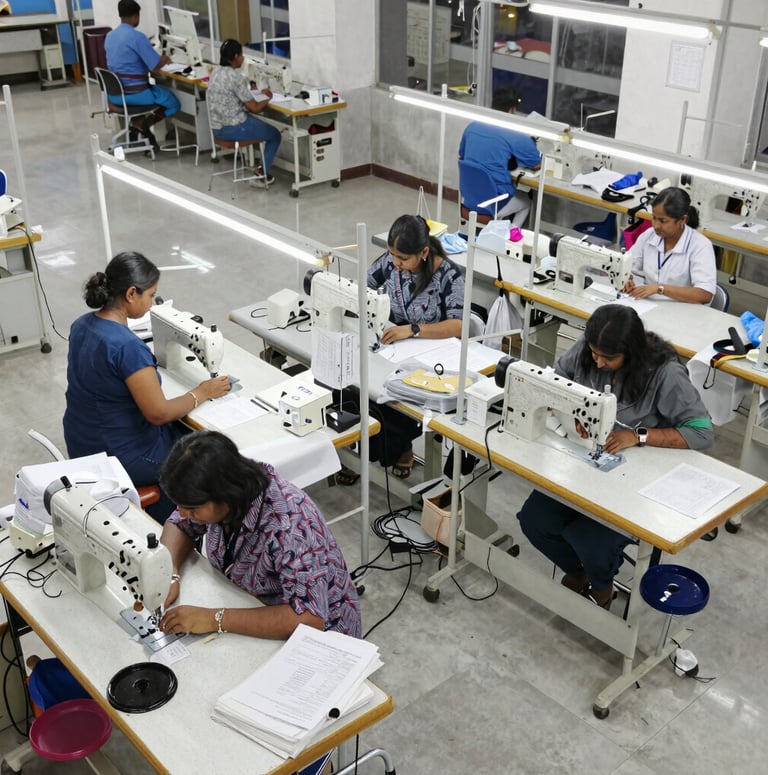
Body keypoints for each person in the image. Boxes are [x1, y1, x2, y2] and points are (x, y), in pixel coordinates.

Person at [516, 304, 713, 609]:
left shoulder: (665, 374)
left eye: (608, 358)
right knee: (533, 520)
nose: (598, 361)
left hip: (634, 480)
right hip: (584, 463)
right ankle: (579, 571)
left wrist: (638, 436)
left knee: (590, 541)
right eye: (595, 354)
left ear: (632, 352)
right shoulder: (590, 349)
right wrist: (570, 410)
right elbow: (554, 381)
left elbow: (702, 431)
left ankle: (602, 585)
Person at [63, 252, 231, 523]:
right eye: (151, 296)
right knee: (204, 450)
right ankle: (183, 521)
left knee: (183, 428)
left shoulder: (81, 325)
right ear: (131, 293)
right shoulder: (128, 347)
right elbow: (158, 413)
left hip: (81, 443)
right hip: (122, 457)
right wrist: (202, 392)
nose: (153, 303)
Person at [157, 431, 361, 639]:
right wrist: (168, 571)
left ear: (226, 495)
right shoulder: (224, 489)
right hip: (250, 605)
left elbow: (308, 619)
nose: (184, 514)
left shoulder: (291, 526)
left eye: (192, 509)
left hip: (318, 638)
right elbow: (179, 524)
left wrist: (214, 619)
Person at [362, 214, 465, 480]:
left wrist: (413, 329)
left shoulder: (449, 276)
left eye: (403, 258)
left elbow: (459, 325)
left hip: (433, 355)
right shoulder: (391, 262)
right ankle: (361, 453)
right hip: (394, 346)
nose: (396, 264)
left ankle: (399, 447)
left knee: (393, 395)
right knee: (358, 388)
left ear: (424, 252)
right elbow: (362, 288)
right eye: (392, 255)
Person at [458, 86, 542, 228]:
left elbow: (462, 155)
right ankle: (509, 241)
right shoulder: (515, 134)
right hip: (495, 201)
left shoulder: (472, 126)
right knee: (526, 203)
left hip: (470, 200)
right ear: (512, 110)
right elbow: (536, 164)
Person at [104, 0, 181, 149]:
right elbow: (155, 65)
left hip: (115, 95)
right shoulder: (137, 37)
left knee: (156, 93)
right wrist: (165, 58)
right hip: (137, 94)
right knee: (173, 103)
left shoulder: (110, 36)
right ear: (135, 16)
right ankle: (143, 126)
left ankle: (137, 124)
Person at [623, 186, 716, 304]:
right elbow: (627, 265)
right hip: (647, 304)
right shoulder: (649, 236)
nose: (656, 225)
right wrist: (627, 278)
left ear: (682, 220)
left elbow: (704, 294)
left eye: (663, 221)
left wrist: (660, 289)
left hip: (682, 311)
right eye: (654, 218)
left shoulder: (700, 246)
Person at [207, 38, 282, 183]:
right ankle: (262, 174)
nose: (243, 58)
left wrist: (250, 93)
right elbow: (254, 108)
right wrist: (268, 96)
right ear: (236, 56)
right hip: (233, 128)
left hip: (216, 129)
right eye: (241, 55)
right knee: (274, 135)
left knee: (257, 124)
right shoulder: (235, 77)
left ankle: (260, 169)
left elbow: (231, 97)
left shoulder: (215, 72)